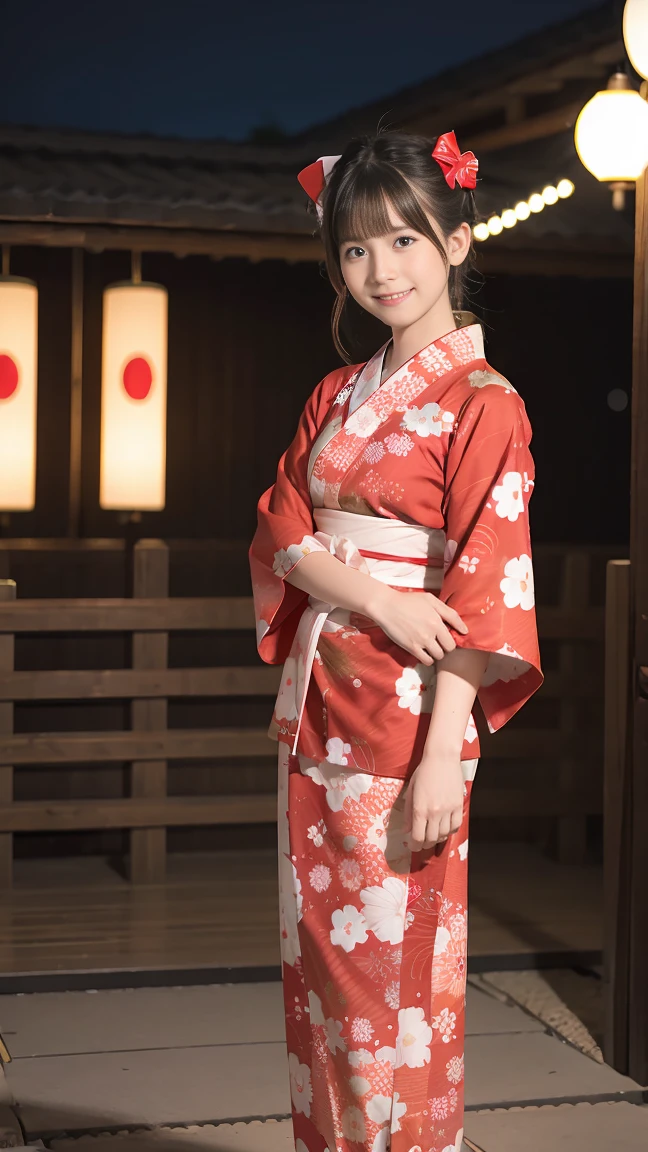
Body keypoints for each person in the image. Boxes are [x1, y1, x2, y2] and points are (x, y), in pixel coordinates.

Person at [249, 130, 542, 1152]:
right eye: (357, 250)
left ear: (458, 244)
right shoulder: (335, 395)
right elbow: (280, 523)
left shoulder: (486, 404)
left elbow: (489, 583)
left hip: (412, 719)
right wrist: (376, 599)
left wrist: (441, 763)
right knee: (323, 983)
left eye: (406, 241)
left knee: (393, 986)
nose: (382, 271)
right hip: (319, 713)